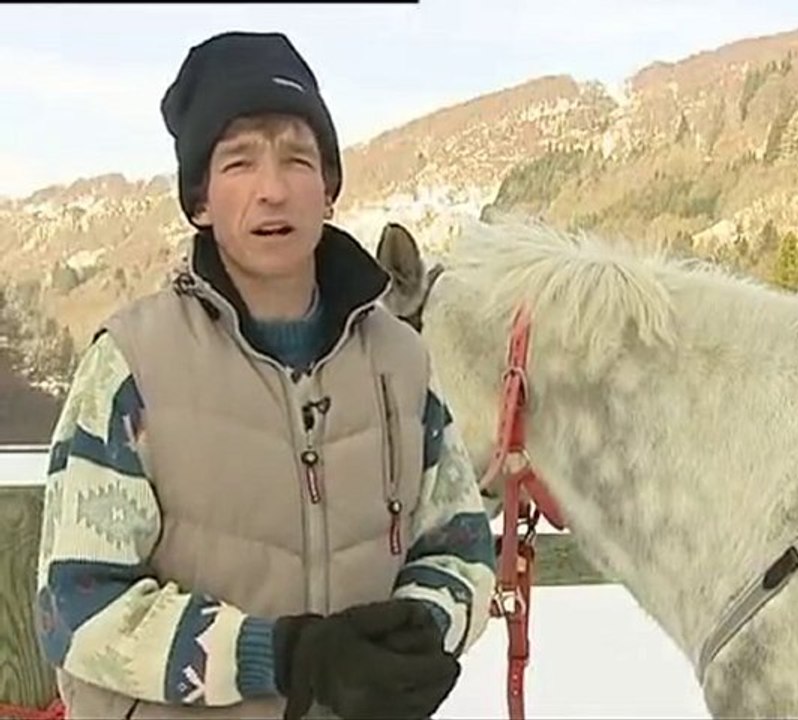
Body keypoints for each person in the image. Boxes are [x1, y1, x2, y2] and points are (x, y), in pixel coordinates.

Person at [33, 30, 496, 720]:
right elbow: (78, 607)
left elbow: (460, 548)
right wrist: (280, 655)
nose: (273, 190)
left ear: (329, 189)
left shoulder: (401, 363)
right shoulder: (133, 364)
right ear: (200, 201)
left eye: (298, 159)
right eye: (239, 162)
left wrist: (418, 633)